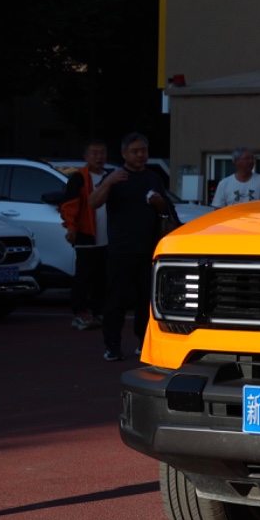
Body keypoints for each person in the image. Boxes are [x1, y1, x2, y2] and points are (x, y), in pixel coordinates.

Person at [90, 133, 172, 362]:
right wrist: (108, 182)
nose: (140, 155)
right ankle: (112, 345)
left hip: (148, 249)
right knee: (116, 300)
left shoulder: (153, 177)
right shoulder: (114, 177)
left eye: (143, 150)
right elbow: (93, 202)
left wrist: (159, 202)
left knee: (147, 300)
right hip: (121, 249)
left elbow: (166, 210)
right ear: (124, 154)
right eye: (135, 151)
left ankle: (143, 342)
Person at [59, 139, 110, 331]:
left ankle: (99, 312)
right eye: (94, 153)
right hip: (86, 235)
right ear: (86, 157)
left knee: (102, 278)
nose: (99, 157)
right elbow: (69, 205)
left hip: (108, 238)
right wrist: (71, 228)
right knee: (84, 276)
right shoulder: (78, 178)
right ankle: (79, 313)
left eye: (102, 152)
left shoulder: (111, 177)